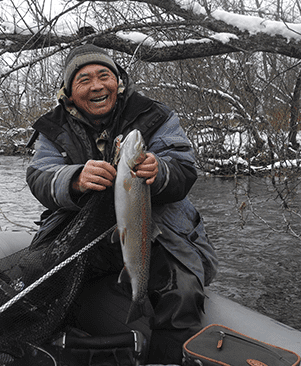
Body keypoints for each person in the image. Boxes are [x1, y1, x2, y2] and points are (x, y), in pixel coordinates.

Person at [26, 44, 218, 365]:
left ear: (119, 82)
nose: (98, 85)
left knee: (181, 291)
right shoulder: (53, 127)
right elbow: (39, 178)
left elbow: (184, 169)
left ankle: (166, 356)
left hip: (155, 228)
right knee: (37, 281)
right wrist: (73, 179)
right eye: (84, 80)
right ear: (70, 92)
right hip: (82, 231)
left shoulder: (154, 115)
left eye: (105, 75)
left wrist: (161, 170)